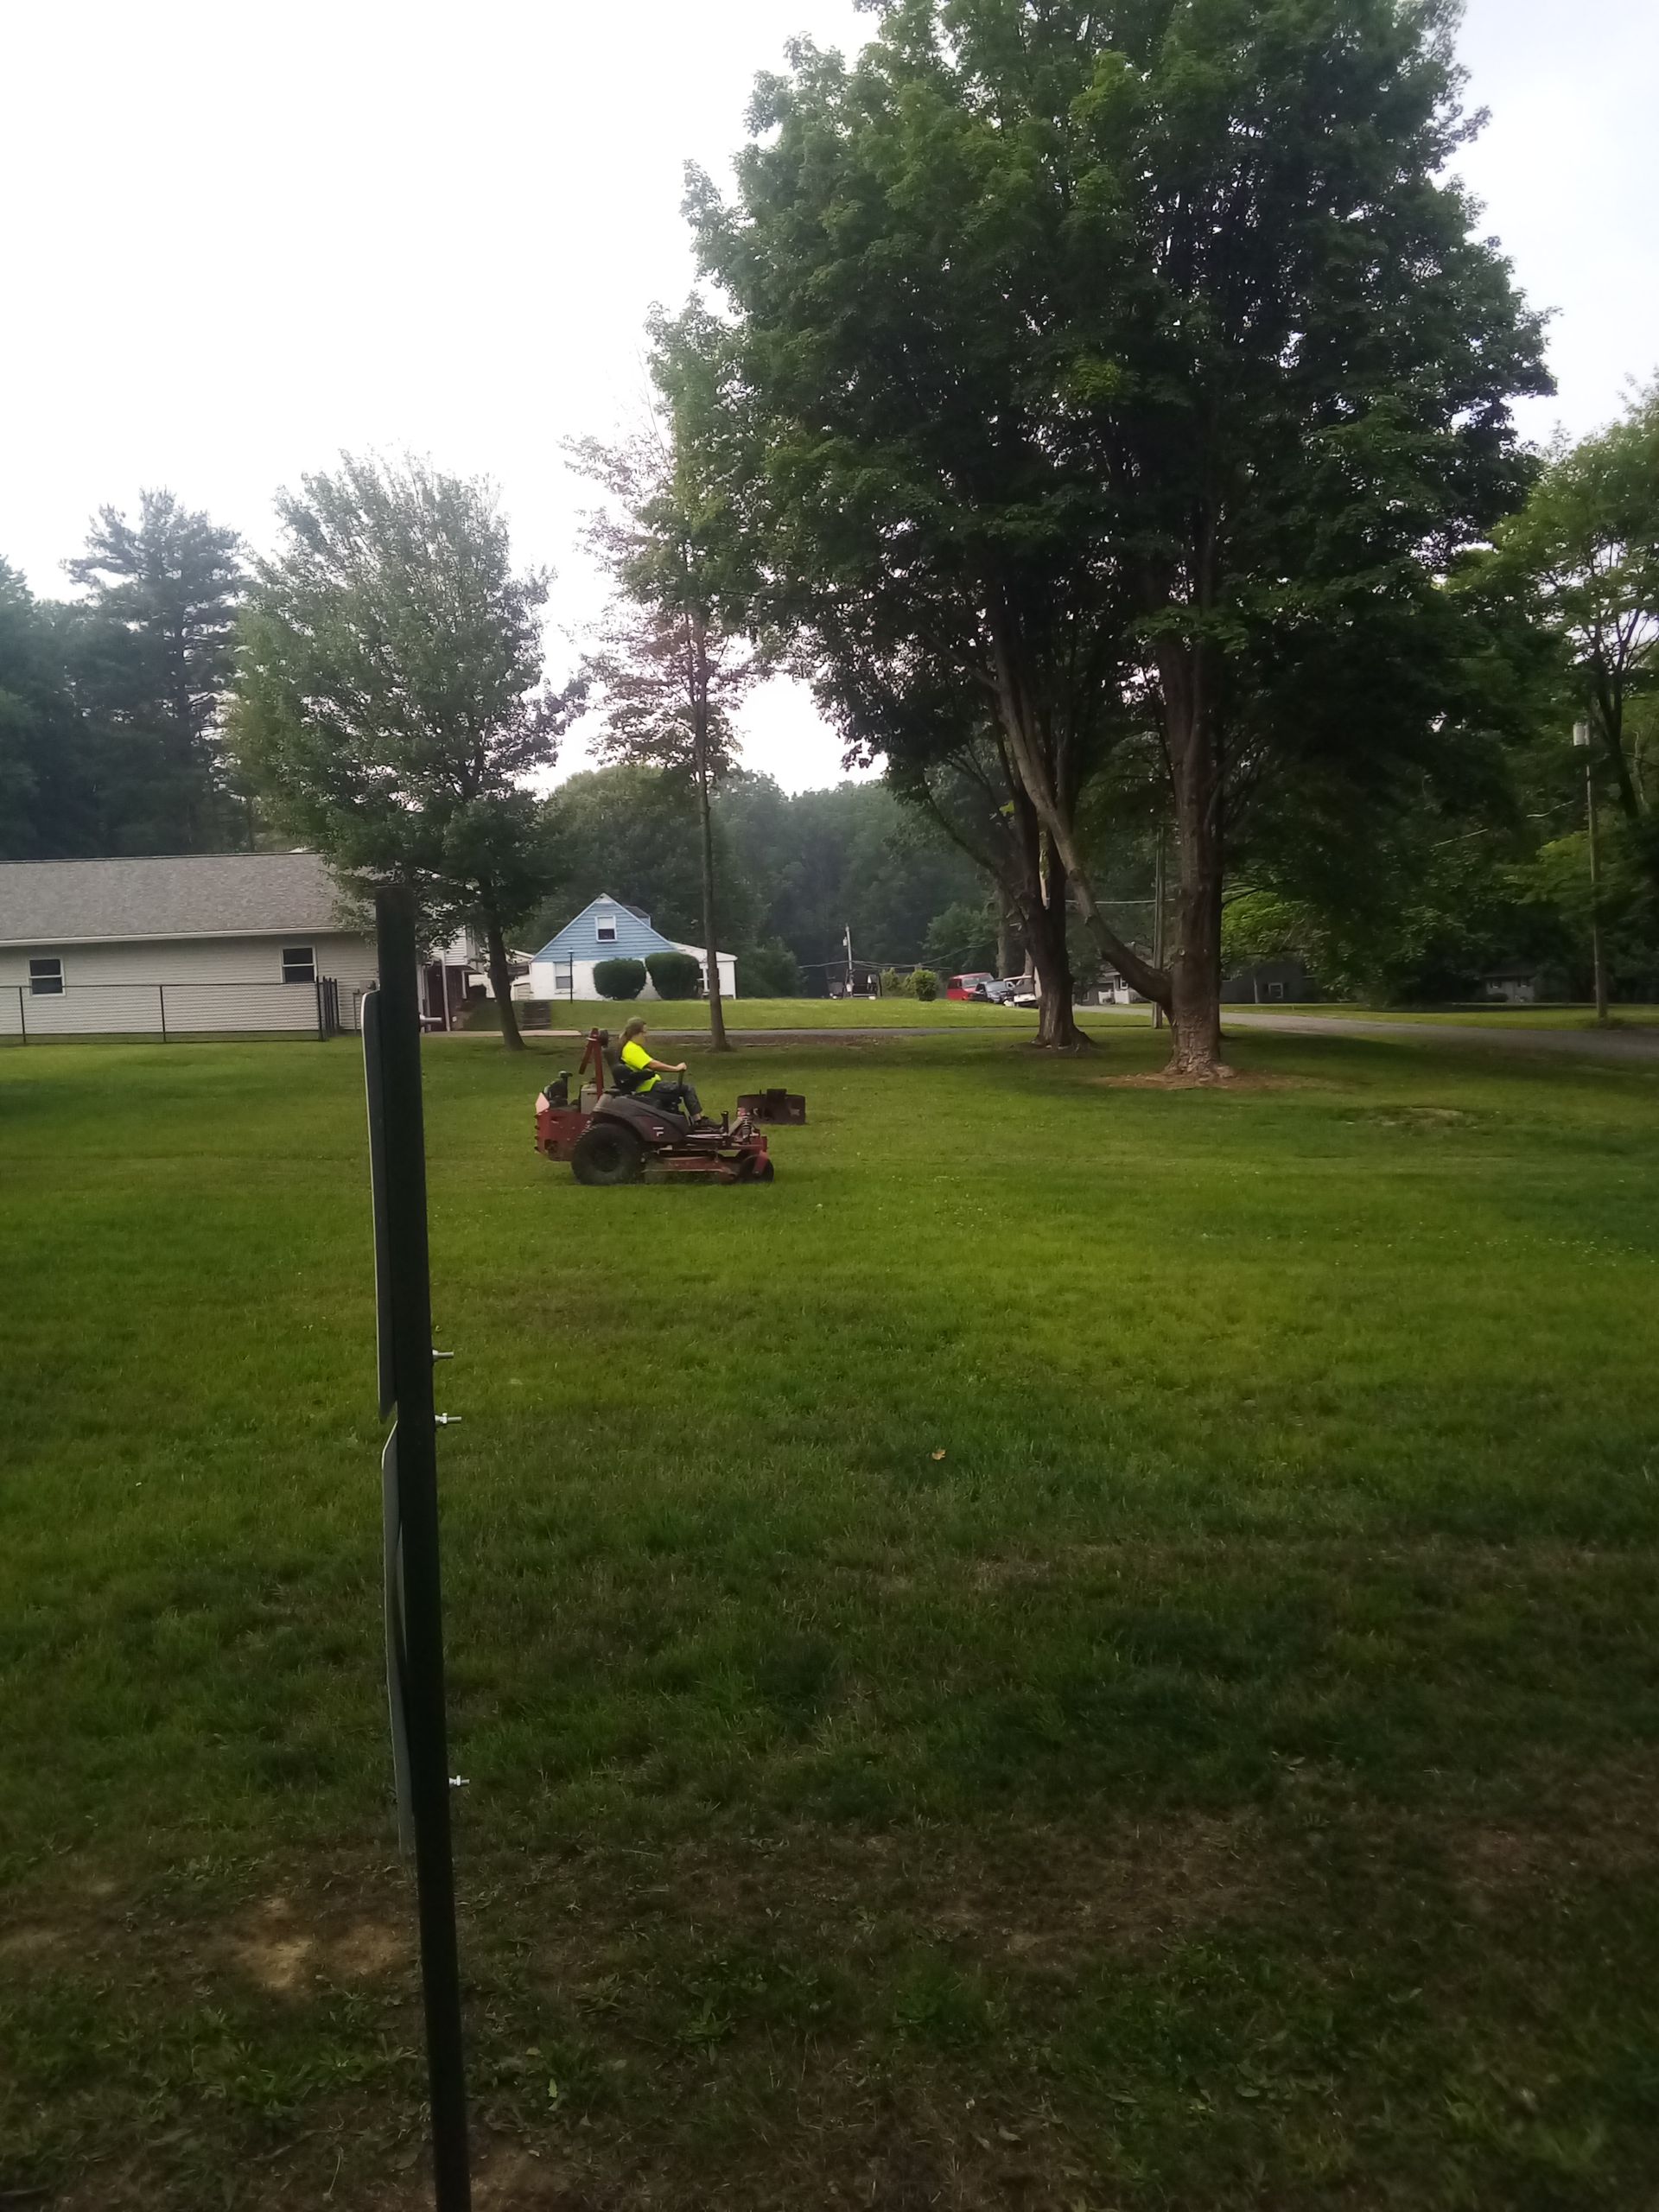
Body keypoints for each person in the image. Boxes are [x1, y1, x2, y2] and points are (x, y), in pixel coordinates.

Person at [617, 1016, 704, 1121]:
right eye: (644, 1033)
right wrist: (676, 1069)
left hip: (651, 1086)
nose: (646, 1036)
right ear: (636, 1033)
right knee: (688, 1089)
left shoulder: (632, 1047)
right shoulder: (631, 1049)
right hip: (650, 1089)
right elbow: (653, 1065)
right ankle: (699, 1121)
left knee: (684, 1088)